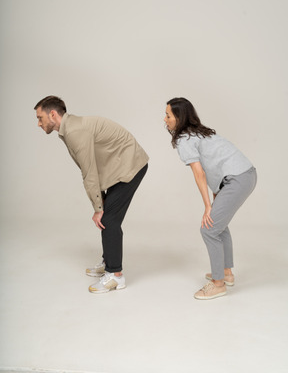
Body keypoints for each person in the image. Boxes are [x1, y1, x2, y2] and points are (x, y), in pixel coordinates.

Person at [34, 96, 148, 294]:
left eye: (40, 117)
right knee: (107, 216)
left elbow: (89, 172)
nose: (38, 123)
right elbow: (92, 167)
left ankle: (115, 276)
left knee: (109, 220)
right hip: (117, 168)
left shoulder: (75, 131)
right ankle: (109, 261)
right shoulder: (69, 129)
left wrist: (98, 208)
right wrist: (101, 200)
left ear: (52, 114)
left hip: (130, 166)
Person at [164, 97, 257, 300]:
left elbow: (200, 174)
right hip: (245, 174)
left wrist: (208, 206)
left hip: (237, 179)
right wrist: (214, 199)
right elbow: (216, 164)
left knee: (208, 228)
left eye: (168, 115)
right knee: (218, 226)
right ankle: (226, 273)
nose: (165, 119)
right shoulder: (199, 133)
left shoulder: (184, 139)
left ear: (179, 118)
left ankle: (218, 284)